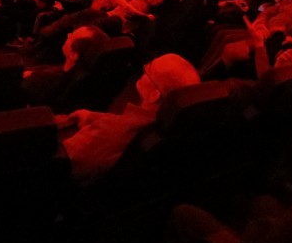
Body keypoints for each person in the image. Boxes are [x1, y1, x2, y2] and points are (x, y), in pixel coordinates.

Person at [58, 53, 200, 183]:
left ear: (154, 95)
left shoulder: (111, 131)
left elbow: (63, 161)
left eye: (148, 69)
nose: (143, 70)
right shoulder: (170, 130)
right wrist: (93, 117)